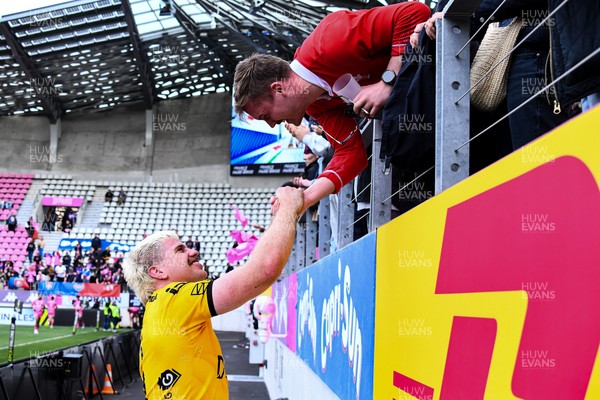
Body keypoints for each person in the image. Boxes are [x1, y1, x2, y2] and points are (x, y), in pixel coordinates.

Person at [233, 2, 430, 213]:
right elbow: (350, 153)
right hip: (428, 126)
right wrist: (305, 199)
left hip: (452, 85)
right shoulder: (315, 106)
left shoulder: (329, 40)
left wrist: (387, 81)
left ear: (279, 89)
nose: (272, 125)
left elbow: (414, 11)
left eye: (265, 116)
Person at [122, 186, 303, 399]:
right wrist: (289, 208)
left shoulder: (161, 307)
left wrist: (280, 219)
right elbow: (264, 271)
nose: (194, 251)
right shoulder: (173, 298)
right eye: (180, 250)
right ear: (157, 271)